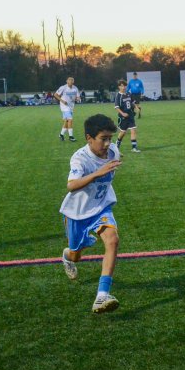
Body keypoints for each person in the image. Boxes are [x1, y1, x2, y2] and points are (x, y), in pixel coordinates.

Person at [59, 114, 122, 313]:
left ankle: (102, 296)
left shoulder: (113, 151)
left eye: (110, 138)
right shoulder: (80, 158)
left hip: (102, 207)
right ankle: (67, 256)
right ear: (89, 138)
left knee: (112, 240)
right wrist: (97, 173)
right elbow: (71, 185)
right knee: (76, 255)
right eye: (103, 138)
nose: (108, 143)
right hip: (77, 212)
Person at [114, 79, 140, 153]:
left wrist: (136, 107)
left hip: (130, 115)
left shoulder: (128, 93)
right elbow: (116, 107)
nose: (124, 87)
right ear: (119, 87)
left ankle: (134, 148)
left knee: (133, 130)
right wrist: (123, 113)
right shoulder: (118, 96)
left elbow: (132, 102)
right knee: (123, 132)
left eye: (125, 86)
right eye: (122, 86)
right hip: (123, 117)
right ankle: (117, 144)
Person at [55, 77, 81, 141]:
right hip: (64, 106)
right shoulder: (63, 87)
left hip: (71, 106)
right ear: (67, 81)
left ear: (73, 81)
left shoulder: (75, 88)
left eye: (72, 80)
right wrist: (62, 101)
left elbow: (78, 96)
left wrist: (77, 98)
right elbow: (55, 95)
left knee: (66, 122)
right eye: (69, 80)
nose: (71, 81)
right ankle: (71, 136)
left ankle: (61, 135)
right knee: (70, 120)